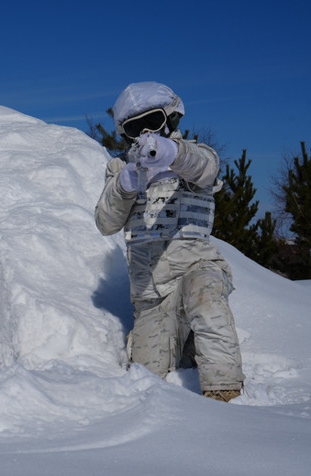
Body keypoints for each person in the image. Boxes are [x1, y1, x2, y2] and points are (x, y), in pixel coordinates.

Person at [95, 82, 245, 402]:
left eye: (154, 120)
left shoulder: (194, 155)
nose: (147, 132)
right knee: (148, 374)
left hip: (196, 265)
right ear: (125, 133)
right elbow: (105, 223)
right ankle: (186, 345)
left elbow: (207, 170)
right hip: (151, 289)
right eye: (137, 127)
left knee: (207, 300)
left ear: (172, 118)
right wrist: (126, 183)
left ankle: (225, 391)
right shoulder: (119, 168)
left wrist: (173, 155)